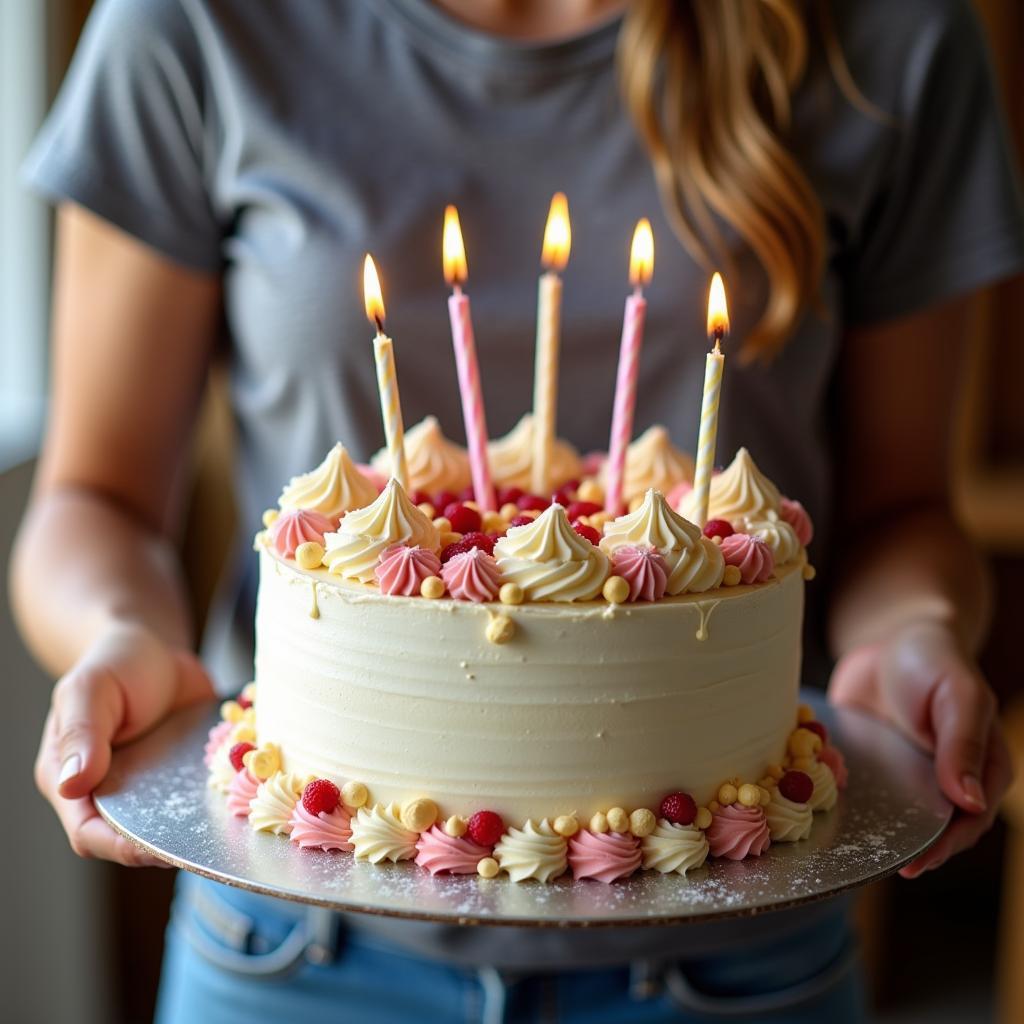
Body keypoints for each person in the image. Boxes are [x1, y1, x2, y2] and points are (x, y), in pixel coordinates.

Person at [12, 0, 1023, 1020]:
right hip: (290, 951)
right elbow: (95, 498)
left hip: (735, 970)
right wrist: (120, 633)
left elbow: (907, 511)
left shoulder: (891, 34)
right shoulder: (191, 22)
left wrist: (915, 634)